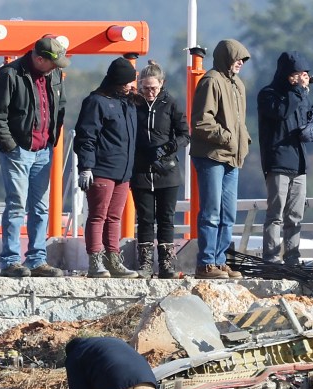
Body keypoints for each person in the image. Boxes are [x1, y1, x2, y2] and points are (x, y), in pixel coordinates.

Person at [0, 36, 68, 279]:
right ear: (39, 58)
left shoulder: (53, 76)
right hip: (18, 151)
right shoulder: (9, 75)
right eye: (53, 63)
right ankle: (10, 260)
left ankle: (37, 259)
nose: (56, 68)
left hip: (43, 150)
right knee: (16, 205)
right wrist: (10, 146)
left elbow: (59, 108)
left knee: (40, 207)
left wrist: (52, 138)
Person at [189, 38, 251, 280]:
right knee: (211, 212)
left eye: (243, 60)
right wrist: (228, 138)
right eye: (237, 58)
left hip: (232, 158)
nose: (240, 63)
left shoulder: (238, 85)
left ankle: (220, 261)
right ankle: (205, 263)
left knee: (228, 214)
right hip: (211, 156)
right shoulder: (211, 81)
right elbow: (202, 121)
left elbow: (239, 123)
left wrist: (243, 140)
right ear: (226, 58)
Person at [73, 57, 141, 279]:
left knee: (114, 217)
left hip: (123, 171)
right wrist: (86, 167)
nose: (131, 86)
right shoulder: (96, 102)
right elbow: (86, 137)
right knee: (97, 215)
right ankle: (95, 261)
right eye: (127, 83)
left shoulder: (128, 103)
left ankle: (113, 259)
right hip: (102, 168)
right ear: (117, 82)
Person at [257, 51, 313, 266]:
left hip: (299, 163)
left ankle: (292, 258)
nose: (301, 78)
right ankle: (271, 258)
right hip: (277, 162)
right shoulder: (269, 94)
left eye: (303, 74)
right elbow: (282, 112)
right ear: (286, 74)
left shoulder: (302, 96)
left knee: (295, 216)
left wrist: (310, 130)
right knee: (275, 215)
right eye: (297, 74)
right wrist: (298, 90)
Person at [131, 60, 190, 279]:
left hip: (167, 171)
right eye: (145, 88)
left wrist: (169, 147)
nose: (149, 92)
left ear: (161, 84)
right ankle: (145, 262)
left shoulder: (170, 104)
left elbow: (185, 134)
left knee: (167, 217)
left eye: (153, 88)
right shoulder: (134, 104)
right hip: (141, 171)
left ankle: (166, 263)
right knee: (145, 218)